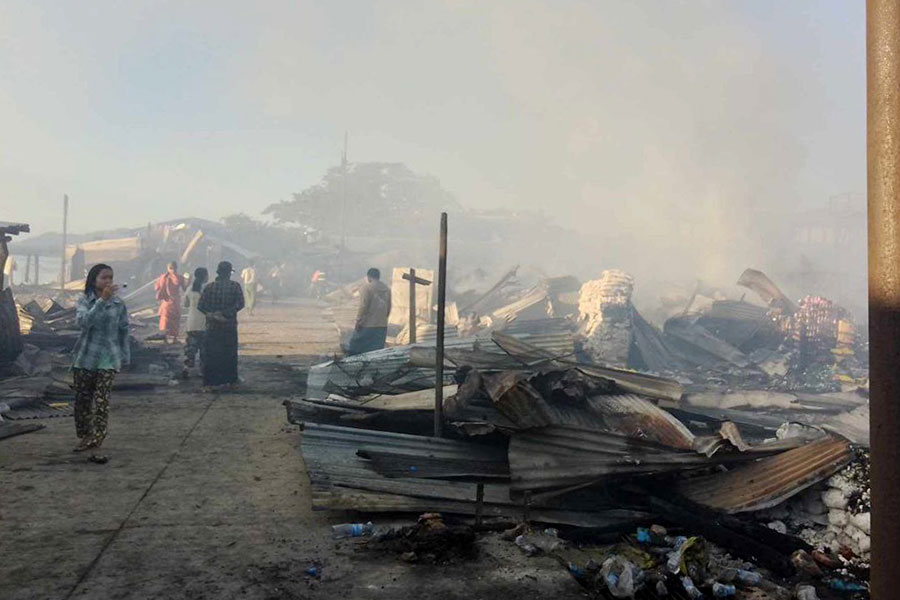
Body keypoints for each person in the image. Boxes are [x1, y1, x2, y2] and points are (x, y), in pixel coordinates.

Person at [71, 263, 130, 464]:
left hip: (109, 358)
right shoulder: (84, 301)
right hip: (86, 357)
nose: (108, 282)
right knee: (82, 400)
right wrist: (101, 302)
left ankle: (97, 438)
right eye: (104, 278)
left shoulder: (119, 305)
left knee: (102, 400)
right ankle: (85, 435)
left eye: (110, 278)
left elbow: (124, 330)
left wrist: (125, 356)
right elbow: (83, 322)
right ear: (94, 280)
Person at [198, 261, 244, 389]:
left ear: (218, 272)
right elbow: (240, 304)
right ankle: (229, 380)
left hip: (212, 327)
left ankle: (211, 381)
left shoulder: (209, 287)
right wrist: (225, 313)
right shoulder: (235, 286)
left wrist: (212, 314)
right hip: (229, 326)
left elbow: (200, 306)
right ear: (229, 273)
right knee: (229, 354)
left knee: (212, 355)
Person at [347, 268, 391, 355]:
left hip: (367, 324)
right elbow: (389, 307)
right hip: (381, 325)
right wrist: (383, 319)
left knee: (355, 347)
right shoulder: (387, 289)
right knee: (377, 351)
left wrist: (358, 321)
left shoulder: (366, 288)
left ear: (369, 277)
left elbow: (363, 306)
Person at [182, 267, 209, 378]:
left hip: (191, 323)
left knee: (190, 349)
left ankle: (186, 369)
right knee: (204, 350)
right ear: (205, 277)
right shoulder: (207, 289)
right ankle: (202, 371)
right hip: (204, 323)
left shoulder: (189, 289)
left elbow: (186, 304)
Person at [154, 261, 186, 343]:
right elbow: (185, 289)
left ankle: (167, 338)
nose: (172, 270)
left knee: (167, 319)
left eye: (172, 268)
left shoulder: (163, 277)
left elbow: (157, 288)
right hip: (173, 301)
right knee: (172, 319)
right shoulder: (178, 277)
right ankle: (173, 338)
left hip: (167, 302)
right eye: (171, 268)